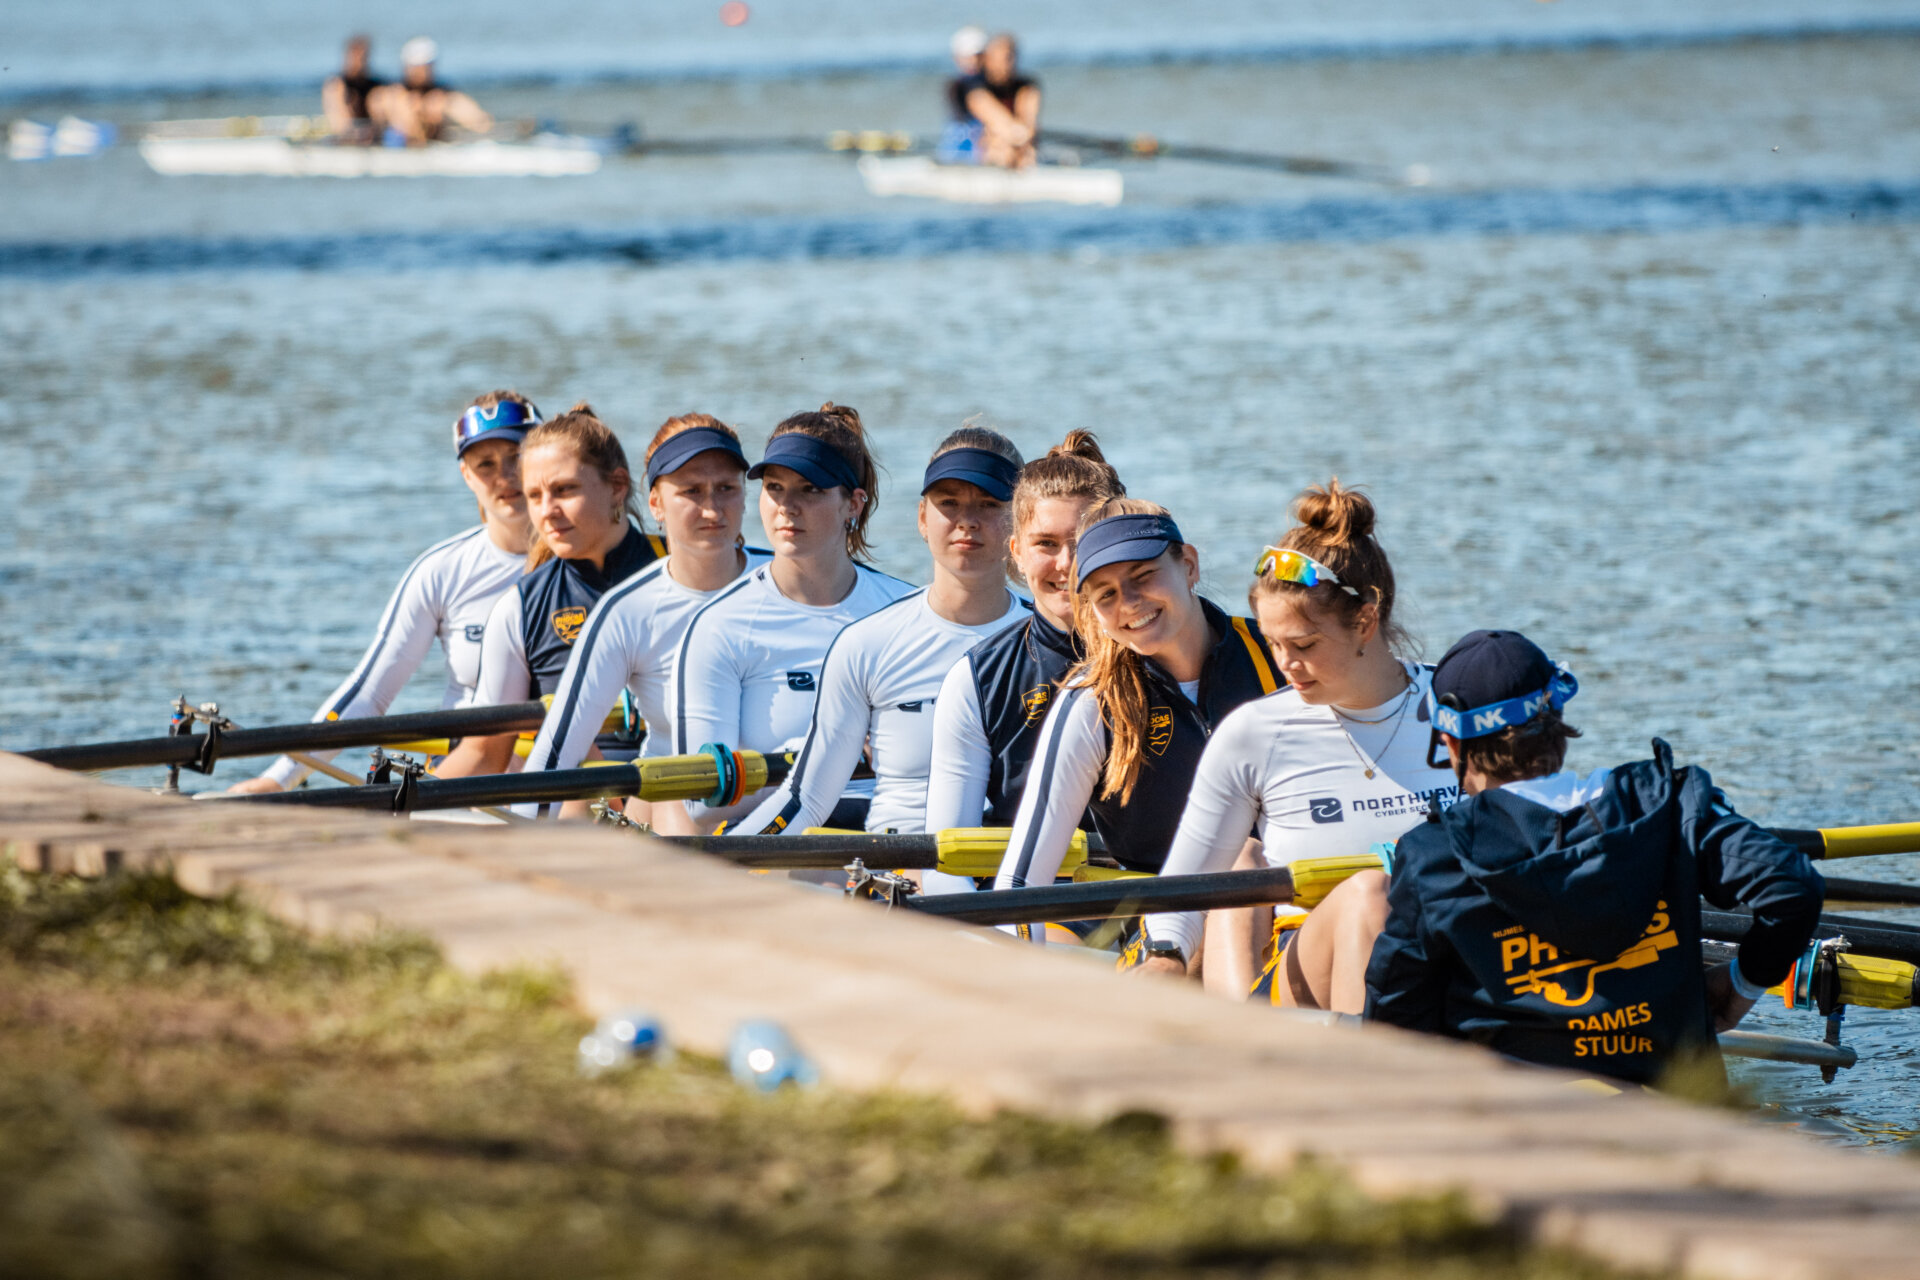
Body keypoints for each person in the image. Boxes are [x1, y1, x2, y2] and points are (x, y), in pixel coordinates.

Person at [1365, 630, 1825, 1084]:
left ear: (1451, 742)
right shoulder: (1667, 805)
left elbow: (1394, 1020)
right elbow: (1793, 887)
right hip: (1681, 1105)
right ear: (1557, 716)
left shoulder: (1432, 857)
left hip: (1516, 1114)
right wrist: (1743, 984)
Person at [1135, 483, 1458, 1012]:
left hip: (1447, 949)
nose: (1285, 665)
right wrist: (1165, 955)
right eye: (1272, 644)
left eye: (1303, 645)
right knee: (1364, 894)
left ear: (1365, 621)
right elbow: (1182, 887)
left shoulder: (1458, 706)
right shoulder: (1255, 733)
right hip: (1308, 969)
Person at [225, 391, 537, 796]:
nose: (504, 476)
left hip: (562, 772)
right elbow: (370, 693)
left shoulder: (587, 562)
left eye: (515, 457)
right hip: (465, 773)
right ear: (466, 475)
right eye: (486, 465)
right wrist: (280, 778)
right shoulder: (441, 571)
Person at [735, 426, 1031, 842]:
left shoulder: (1055, 644)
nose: (967, 521)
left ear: (1021, 522)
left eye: (988, 504)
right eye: (949, 503)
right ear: (922, 518)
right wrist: (720, 859)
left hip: (1017, 866)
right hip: (896, 864)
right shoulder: (867, 645)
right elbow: (807, 800)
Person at [991, 499, 1283, 903]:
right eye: (1106, 594)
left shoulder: (1280, 656)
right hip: (1158, 919)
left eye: (1143, 576)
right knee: (1242, 859)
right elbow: (1021, 883)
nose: (1128, 603)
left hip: (1292, 910)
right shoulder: (1091, 705)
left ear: (1190, 565)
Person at [514, 414, 770, 827]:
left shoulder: (796, 584)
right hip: (679, 806)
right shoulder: (625, 610)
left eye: (726, 488)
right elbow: (554, 755)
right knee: (677, 804)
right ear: (656, 504)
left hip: (790, 797)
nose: (711, 509)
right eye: (691, 491)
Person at [672, 404, 915, 833]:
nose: (787, 506)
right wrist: (826, 756)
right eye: (774, 488)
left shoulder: (906, 613)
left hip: (893, 832)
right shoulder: (720, 626)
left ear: (853, 504)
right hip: (776, 838)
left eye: (810, 489)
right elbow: (699, 803)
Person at [437, 404, 666, 778]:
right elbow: (484, 753)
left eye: (564, 490)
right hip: (579, 794)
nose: (547, 511)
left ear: (617, 487)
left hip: (677, 785)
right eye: (534, 495)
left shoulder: (682, 571)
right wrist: (398, 803)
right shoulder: (520, 607)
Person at [923, 430, 1123, 839]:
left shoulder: (1168, 654)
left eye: (1082, 542)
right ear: (1015, 551)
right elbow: (945, 855)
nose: (1066, 564)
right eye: (1046, 544)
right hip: (1022, 879)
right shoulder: (977, 680)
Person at [368, 37, 491, 146]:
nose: (422, 72)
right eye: (417, 67)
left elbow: (480, 122)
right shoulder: (389, 94)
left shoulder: (445, 96)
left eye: (426, 67)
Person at [961, 33, 1041, 169]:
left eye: (1011, 57)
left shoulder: (1026, 87)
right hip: (974, 151)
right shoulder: (973, 88)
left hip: (1020, 148)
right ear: (988, 59)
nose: (1008, 64)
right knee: (999, 141)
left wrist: (1022, 137)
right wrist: (1019, 137)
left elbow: (1028, 125)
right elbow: (1001, 123)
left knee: (1017, 145)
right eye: (1003, 58)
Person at [937, 26, 989, 163]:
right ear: (957, 58)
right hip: (960, 148)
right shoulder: (957, 86)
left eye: (978, 56)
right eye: (968, 57)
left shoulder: (993, 84)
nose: (973, 62)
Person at [322, 35, 385, 142]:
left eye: (363, 58)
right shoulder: (337, 84)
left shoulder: (375, 86)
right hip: (346, 134)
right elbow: (338, 120)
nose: (360, 62)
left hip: (372, 132)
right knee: (334, 89)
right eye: (356, 57)